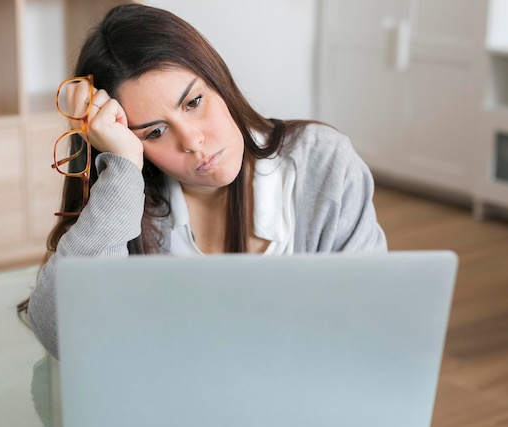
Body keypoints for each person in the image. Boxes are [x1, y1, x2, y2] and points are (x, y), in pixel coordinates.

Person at [22, 3, 387, 360]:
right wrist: (121, 170)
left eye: (194, 102)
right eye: (155, 132)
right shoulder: (127, 198)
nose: (192, 142)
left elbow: (371, 321)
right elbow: (59, 334)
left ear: (218, 80)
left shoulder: (322, 163)